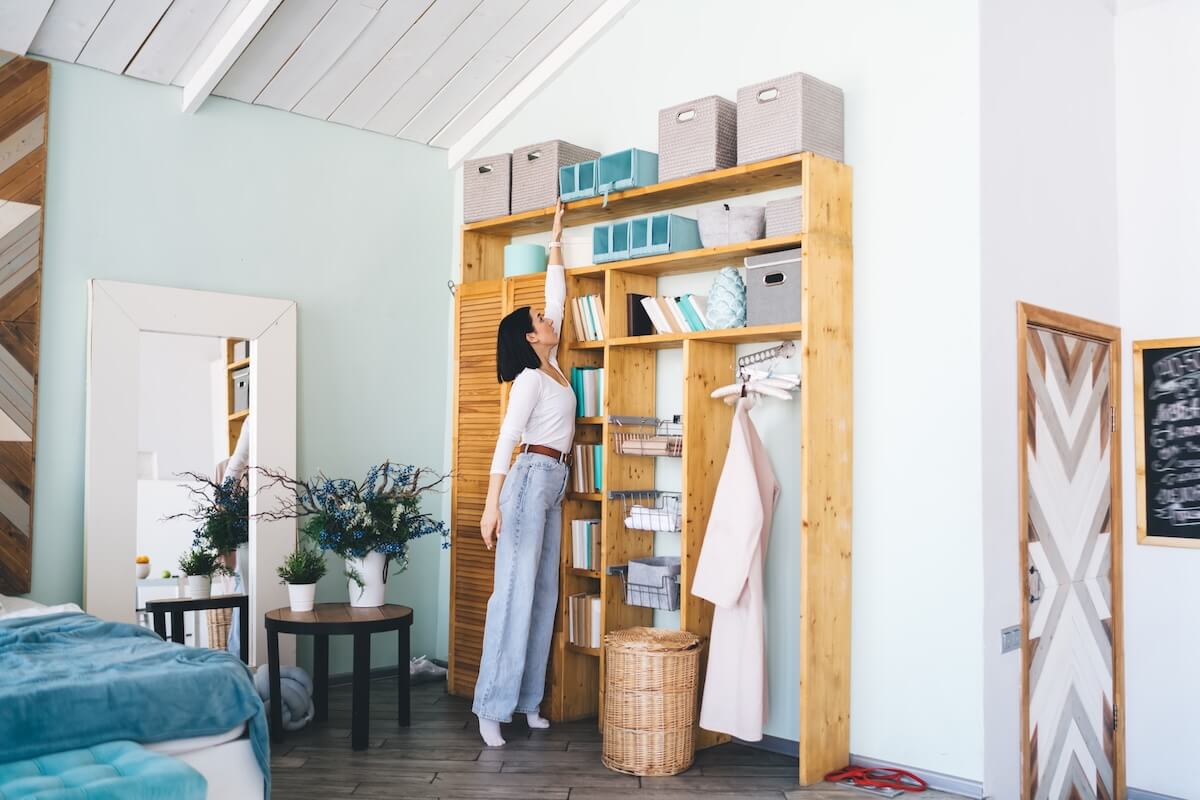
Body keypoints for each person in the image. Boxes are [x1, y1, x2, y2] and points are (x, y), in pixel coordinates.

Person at [472, 200, 574, 747]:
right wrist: (492, 506)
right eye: (539, 319)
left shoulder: (554, 365)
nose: (549, 318)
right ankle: (492, 705)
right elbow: (507, 440)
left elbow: (555, 296)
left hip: (553, 483)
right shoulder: (532, 381)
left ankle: (528, 700)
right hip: (528, 479)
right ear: (531, 338)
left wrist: (555, 238)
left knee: (543, 595)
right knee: (512, 593)